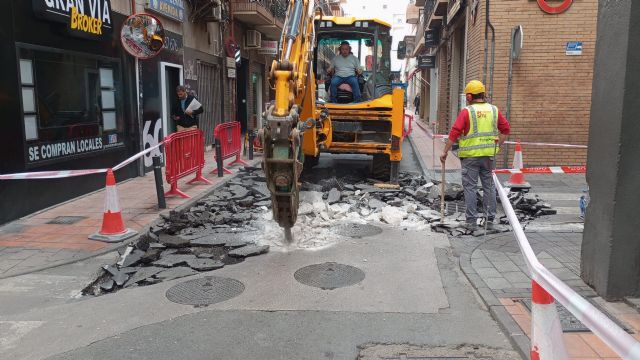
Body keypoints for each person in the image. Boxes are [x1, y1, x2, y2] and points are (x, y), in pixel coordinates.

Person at [439, 80, 510, 231]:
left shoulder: (467, 111)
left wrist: (445, 151)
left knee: (470, 188)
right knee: (489, 187)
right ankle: (489, 220)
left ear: (470, 96)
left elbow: (455, 132)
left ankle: (471, 221)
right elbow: (505, 129)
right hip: (489, 157)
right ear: (483, 94)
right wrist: (497, 146)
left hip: (470, 158)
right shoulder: (494, 110)